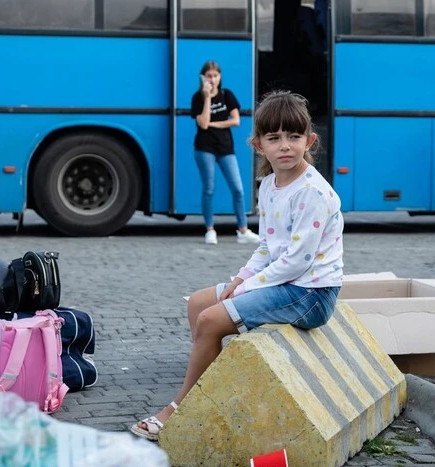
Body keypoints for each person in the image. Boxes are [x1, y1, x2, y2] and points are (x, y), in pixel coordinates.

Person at [130, 91, 344, 441]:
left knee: (210, 319)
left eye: (294, 136)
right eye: (274, 138)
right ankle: (209, 389)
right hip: (287, 284)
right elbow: (267, 246)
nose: (285, 146)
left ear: (310, 140)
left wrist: (243, 289)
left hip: (311, 294)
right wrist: (239, 279)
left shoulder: (312, 193)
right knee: (199, 303)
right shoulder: (270, 184)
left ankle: (179, 408)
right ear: (259, 145)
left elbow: (295, 263)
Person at [191, 60, 259, 245]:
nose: (213, 79)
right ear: (203, 78)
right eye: (209, 76)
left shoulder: (227, 95)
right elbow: (203, 124)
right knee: (209, 189)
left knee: (238, 189)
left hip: (225, 148)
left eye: (215, 76)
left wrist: (214, 124)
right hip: (204, 148)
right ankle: (210, 230)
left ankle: (243, 230)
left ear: (220, 77)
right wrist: (207, 98)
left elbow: (235, 120)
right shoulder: (198, 98)